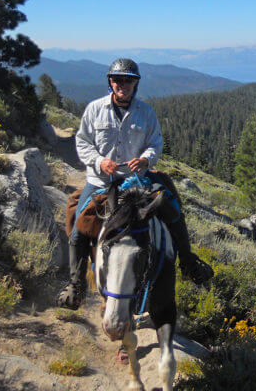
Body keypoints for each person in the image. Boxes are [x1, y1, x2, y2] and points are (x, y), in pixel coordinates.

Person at [57, 58, 213, 310]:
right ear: (111, 82)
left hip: (136, 180)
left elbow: (155, 142)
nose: (123, 84)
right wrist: (99, 162)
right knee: (78, 229)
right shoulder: (95, 109)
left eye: (128, 80)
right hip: (101, 181)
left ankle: (188, 262)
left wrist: (145, 159)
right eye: (118, 80)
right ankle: (76, 285)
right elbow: (83, 141)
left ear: (135, 84)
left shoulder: (146, 112)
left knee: (172, 209)